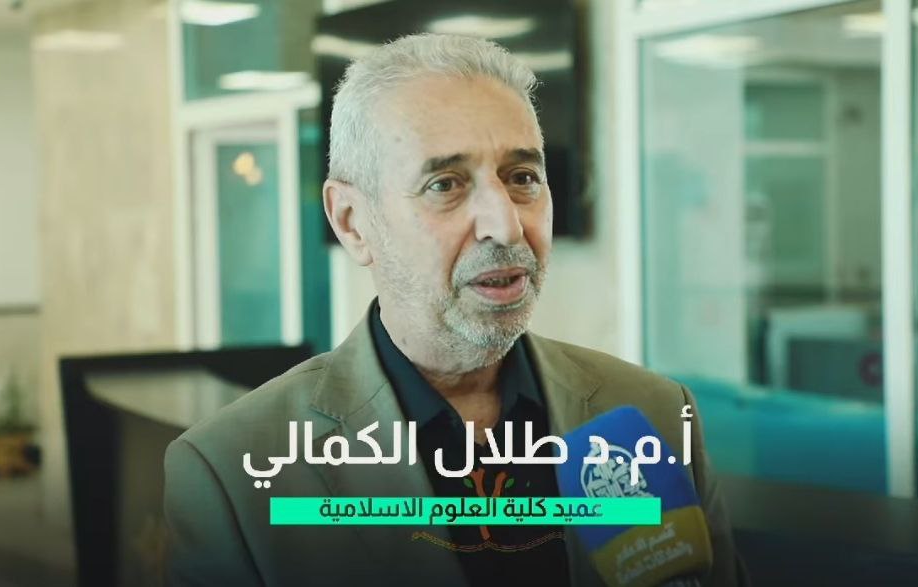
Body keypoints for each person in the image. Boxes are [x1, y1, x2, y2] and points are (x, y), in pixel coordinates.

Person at [164, 33, 744, 587]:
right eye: (445, 184)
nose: (506, 225)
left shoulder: (654, 413)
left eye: (523, 177)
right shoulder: (232, 472)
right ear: (351, 222)